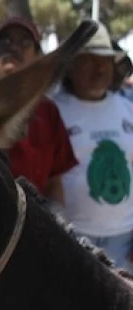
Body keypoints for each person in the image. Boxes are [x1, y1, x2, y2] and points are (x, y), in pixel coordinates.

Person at [53, 22, 133, 272]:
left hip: (126, 240)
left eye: (106, 60)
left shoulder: (128, 109)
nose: (99, 67)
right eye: (89, 59)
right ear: (71, 67)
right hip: (76, 240)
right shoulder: (54, 111)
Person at [0, 16, 78, 204]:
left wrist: (56, 222)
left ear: (38, 56)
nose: (13, 47)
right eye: (5, 41)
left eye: (25, 41)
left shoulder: (48, 111)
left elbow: (54, 181)